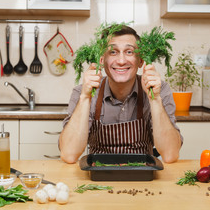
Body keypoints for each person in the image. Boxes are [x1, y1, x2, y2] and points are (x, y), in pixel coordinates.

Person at [59, 25, 183, 164]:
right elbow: (69, 155)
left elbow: (170, 154)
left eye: (129, 52)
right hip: (98, 178)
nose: (121, 60)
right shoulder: (84, 91)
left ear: (140, 61)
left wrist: (155, 100)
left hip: (143, 178)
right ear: (101, 60)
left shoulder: (159, 89)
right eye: (113, 52)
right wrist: (85, 98)